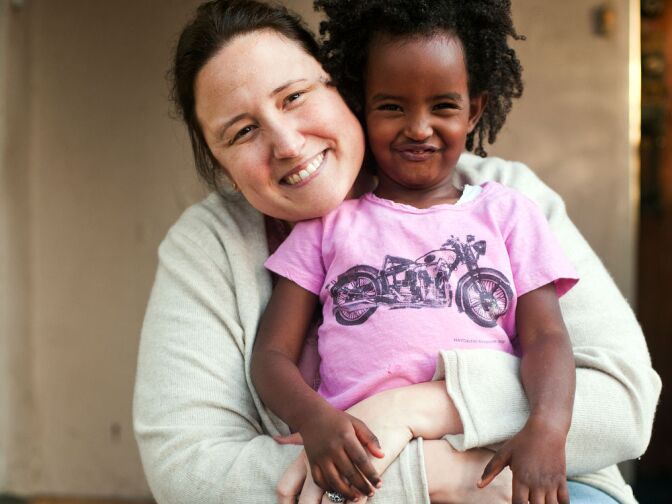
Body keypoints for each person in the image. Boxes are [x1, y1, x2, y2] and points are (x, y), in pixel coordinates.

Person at [132, 1, 661, 503]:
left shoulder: (508, 201)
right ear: (220, 163)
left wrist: (408, 409)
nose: (287, 143)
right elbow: (188, 472)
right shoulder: (214, 245)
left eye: (294, 96)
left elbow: (622, 404)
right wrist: (435, 476)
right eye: (243, 131)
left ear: (339, 89)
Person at [252, 1, 578, 503]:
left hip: (480, 457)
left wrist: (549, 429)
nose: (419, 128)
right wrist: (314, 418)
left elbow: (546, 339)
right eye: (392, 106)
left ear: (475, 110)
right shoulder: (328, 225)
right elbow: (272, 355)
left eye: (443, 106)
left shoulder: (509, 214)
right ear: (362, 106)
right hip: (362, 468)